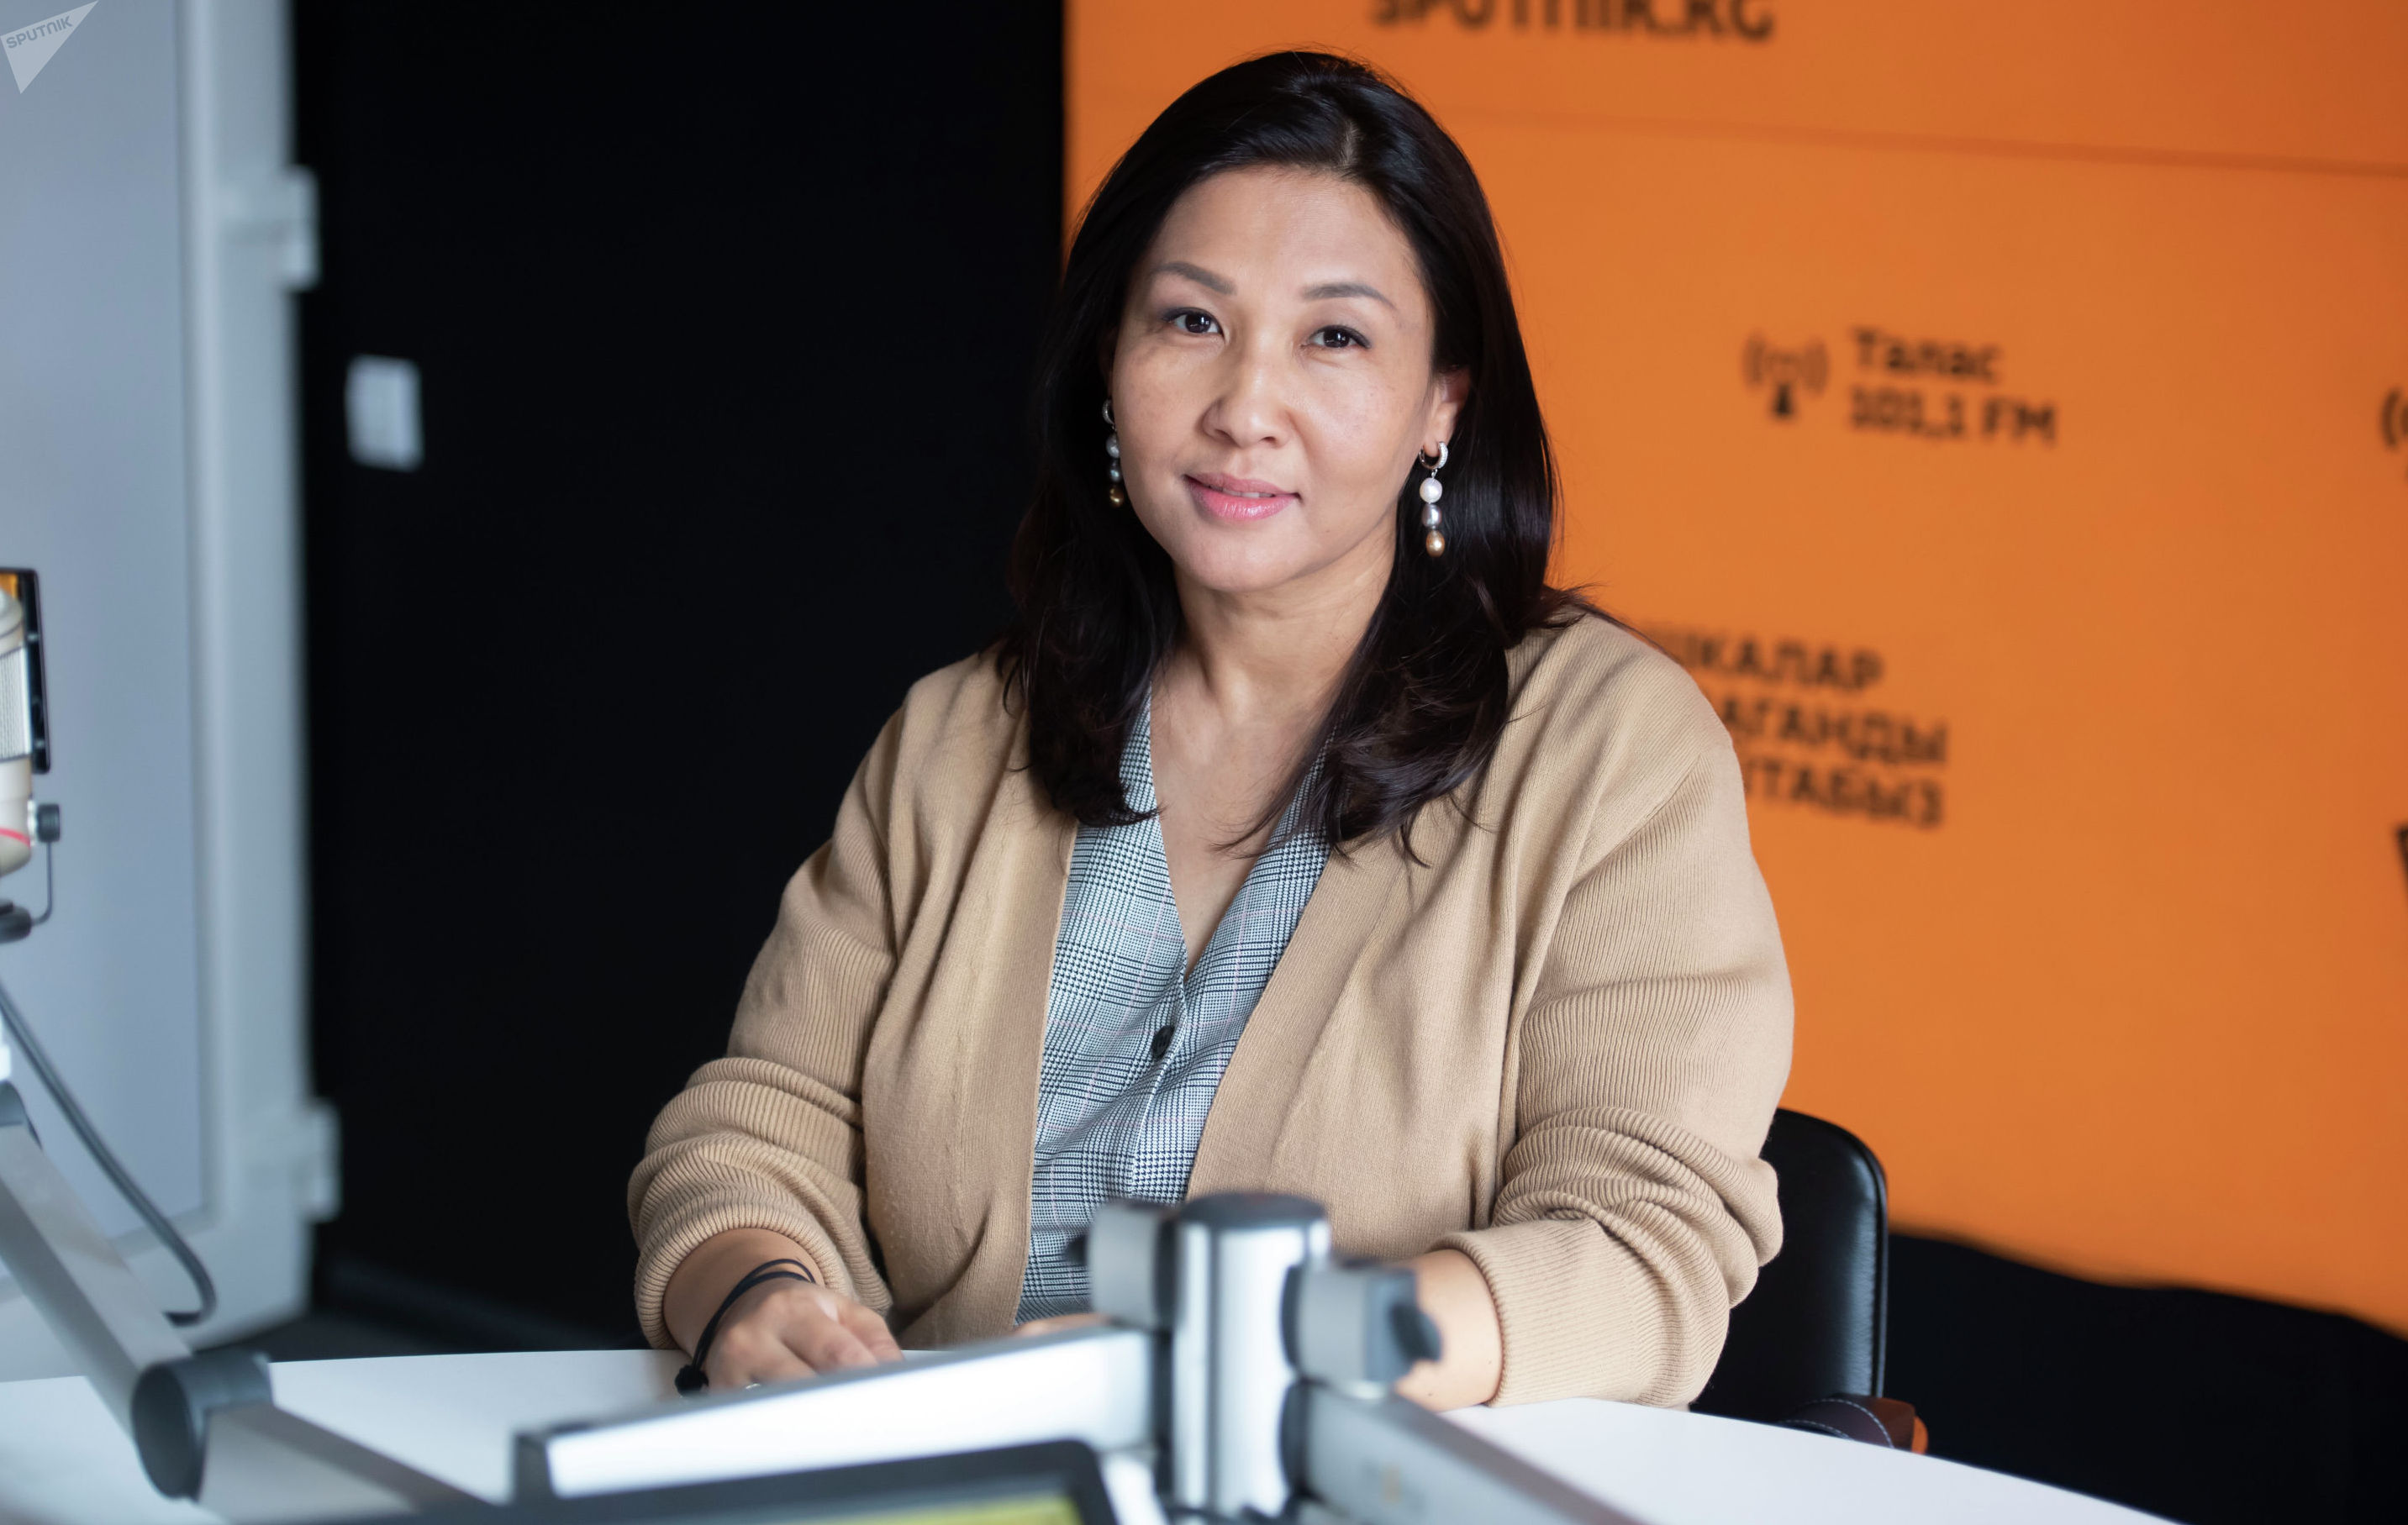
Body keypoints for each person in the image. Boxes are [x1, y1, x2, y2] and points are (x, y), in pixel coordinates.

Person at [630, 50, 1790, 1412]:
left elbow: (1640, 1256)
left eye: (1333, 338)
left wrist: (1261, 1350)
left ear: (1443, 402)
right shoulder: (960, 738)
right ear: (1107, 363)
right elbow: (752, 1129)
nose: (1243, 410)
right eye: (1190, 321)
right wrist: (759, 1293)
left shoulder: (1610, 753)